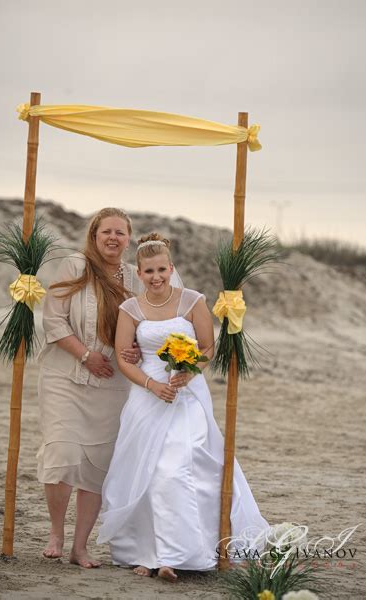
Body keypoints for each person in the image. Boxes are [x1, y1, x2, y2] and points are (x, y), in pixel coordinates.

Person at [97, 233, 269, 581]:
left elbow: (207, 347)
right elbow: (124, 356)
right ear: (140, 273)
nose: (156, 276)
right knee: (143, 470)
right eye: (149, 271)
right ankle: (147, 552)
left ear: (171, 269)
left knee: (176, 466)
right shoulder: (130, 308)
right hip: (147, 396)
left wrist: (187, 373)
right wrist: (152, 384)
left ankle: (177, 554)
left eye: (162, 269)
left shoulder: (192, 301)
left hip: (186, 396)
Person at [37, 209, 182, 568]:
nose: (113, 238)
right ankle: (57, 533)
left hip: (113, 383)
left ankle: (79, 547)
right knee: (62, 454)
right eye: (107, 232)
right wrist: (86, 355)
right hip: (65, 376)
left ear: (129, 238)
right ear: (94, 234)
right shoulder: (74, 266)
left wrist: (132, 349)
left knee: (97, 466)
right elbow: (52, 319)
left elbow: (153, 319)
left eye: (120, 232)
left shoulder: (136, 277)